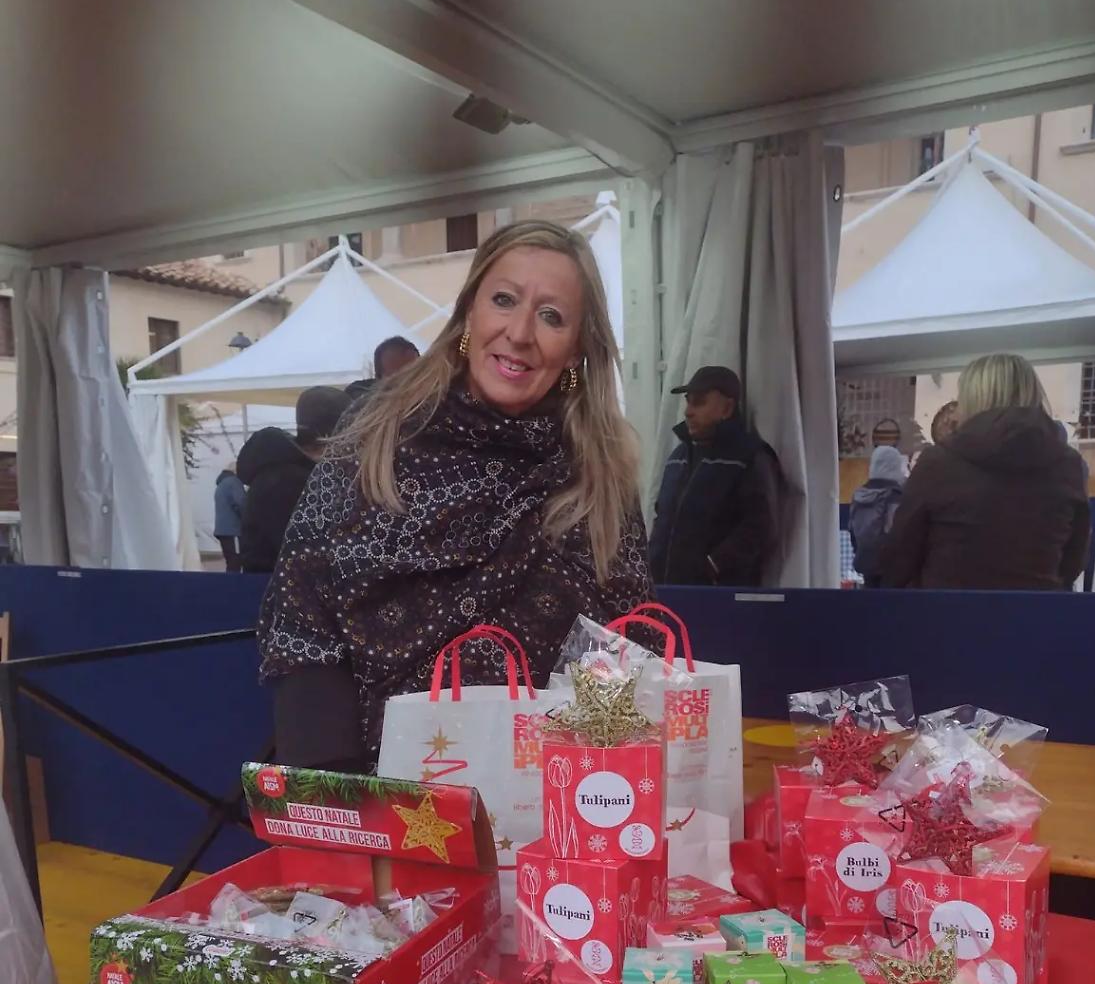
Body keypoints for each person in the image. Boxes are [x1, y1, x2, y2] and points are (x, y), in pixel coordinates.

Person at [259, 220, 653, 770]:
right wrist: (336, 795)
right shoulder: (377, 433)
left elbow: (629, 644)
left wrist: (595, 792)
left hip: (554, 794)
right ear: (470, 312)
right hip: (384, 787)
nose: (520, 332)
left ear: (576, 350)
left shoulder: (600, 472)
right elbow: (303, 613)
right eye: (504, 300)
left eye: (551, 316)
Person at [881, 353, 1090, 590]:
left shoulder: (937, 463)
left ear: (973, 399)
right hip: (1036, 609)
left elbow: (899, 559)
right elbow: (1073, 561)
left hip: (947, 609)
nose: (956, 411)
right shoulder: (1069, 465)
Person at [648, 366, 779, 585]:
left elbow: (761, 526)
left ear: (727, 408)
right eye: (688, 402)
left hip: (718, 596)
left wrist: (713, 565)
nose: (688, 411)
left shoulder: (748, 457)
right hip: (663, 590)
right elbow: (661, 515)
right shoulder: (678, 457)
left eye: (699, 402)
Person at [238, 387, 350, 574]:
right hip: (273, 586)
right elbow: (303, 553)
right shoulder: (284, 482)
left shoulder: (290, 474)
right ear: (334, 434)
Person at [849, 444, 908, 586]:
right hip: (890, 567)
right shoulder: (895, 495)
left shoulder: (859, 494)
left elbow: (852, 530)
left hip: (865, 562)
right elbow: (897, 533)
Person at [343, 336, 421, 407]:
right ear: (379, 379)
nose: (407, 382)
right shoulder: (360, 398)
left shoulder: (426, 403)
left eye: (415, 374)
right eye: (397, 378)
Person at [213, 465, 248, 572]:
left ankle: (229, 581)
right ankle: (235, 583)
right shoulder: (234, 482)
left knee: (230, 561)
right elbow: (241, 503)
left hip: (222, 530)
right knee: (236, 561)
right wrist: (249, 518)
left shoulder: (221, 484)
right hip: (233, 530)